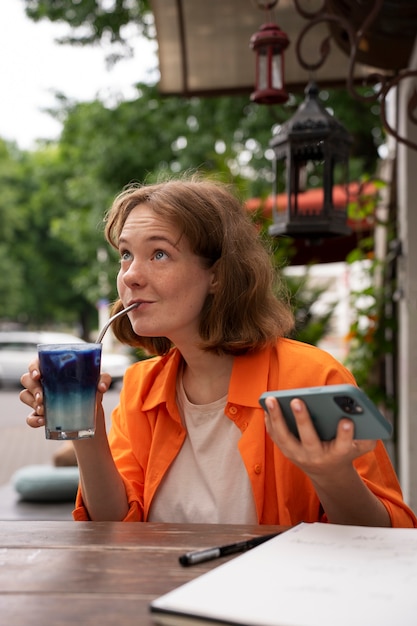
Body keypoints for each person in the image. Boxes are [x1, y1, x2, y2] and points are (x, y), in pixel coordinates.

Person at [20, 176, 416, 527]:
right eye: (126, 254)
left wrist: (332, 476)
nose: (131, 276)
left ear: (217, 275)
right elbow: (113, 525)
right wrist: (87, 427)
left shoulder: (311, 376)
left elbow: (388, 540)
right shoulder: (142, 388)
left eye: (159, 254)